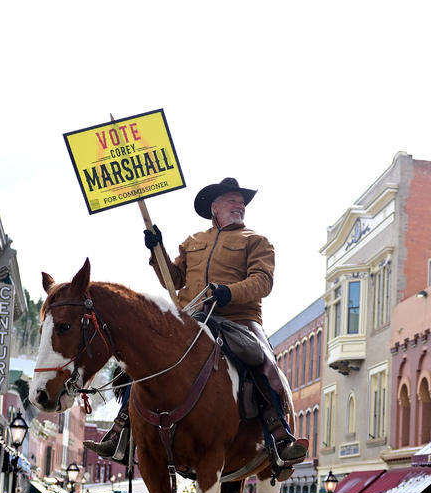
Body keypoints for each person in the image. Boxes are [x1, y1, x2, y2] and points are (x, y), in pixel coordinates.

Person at [84, 177, 308, 468]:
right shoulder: (193, 242)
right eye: (232, 200)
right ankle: (120, 430)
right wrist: (157, 251)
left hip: (239, 319)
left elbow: (263, 282)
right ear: (215, 206)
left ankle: (280, 435)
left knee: (261, 360)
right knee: (143, 361)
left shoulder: (257, 241)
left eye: (242, 202)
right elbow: (172, 279)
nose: (240, 205)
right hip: (192, 317)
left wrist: (230, 292)